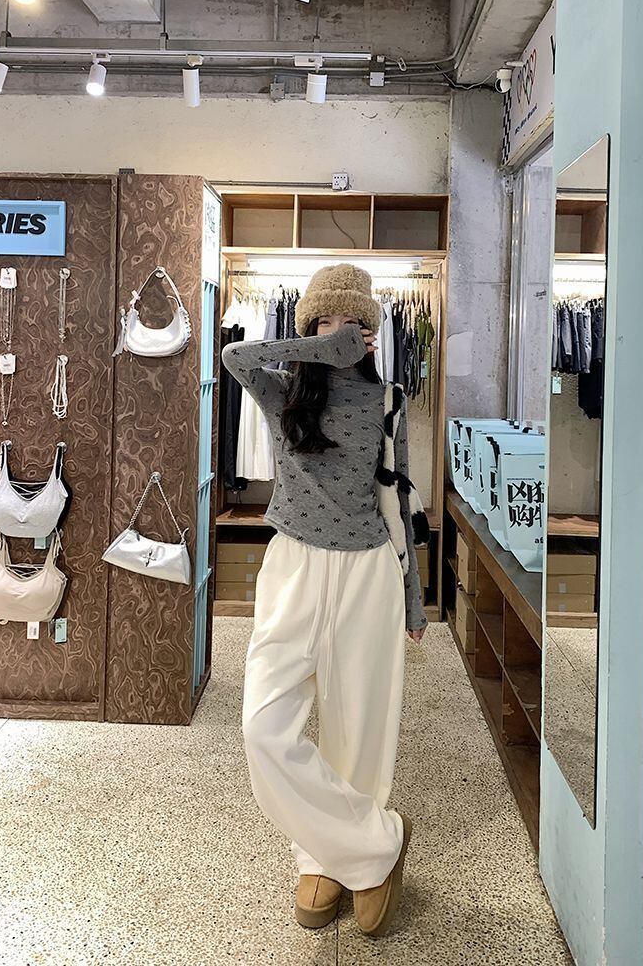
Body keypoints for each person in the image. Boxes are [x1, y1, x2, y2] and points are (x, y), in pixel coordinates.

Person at [221, 263, 428, 938]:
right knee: (264, 729)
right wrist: (316, 350)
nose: (344, 334)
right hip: (294, 569)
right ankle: (373, 844)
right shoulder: (282, 391)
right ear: (309, 327)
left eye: (357, 324)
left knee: (359, 726)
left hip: (368, 571)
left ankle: (328, 860)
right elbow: (234, 354)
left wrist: (414, 597)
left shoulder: (389, 398)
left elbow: (399, 496)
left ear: (373, 335)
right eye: (328, 321)